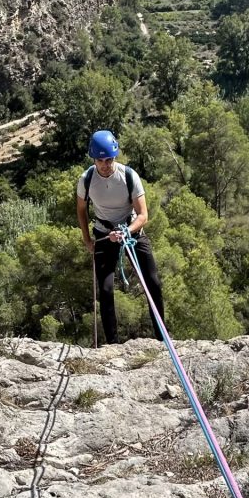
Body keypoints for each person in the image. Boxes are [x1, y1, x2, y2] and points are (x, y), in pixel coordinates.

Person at [76, 129, 165, 344]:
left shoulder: (128, 176)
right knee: (106, 290)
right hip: (104, 234)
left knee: (152, 283)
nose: (106, 164)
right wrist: (87, 239)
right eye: (101, 160)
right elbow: (81, 209)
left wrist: (127, 231)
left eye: (110, 159)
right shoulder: (86, 179)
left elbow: (143, 215)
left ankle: (162, 336)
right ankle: (113, 344)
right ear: (94, 159)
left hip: (131, 229)